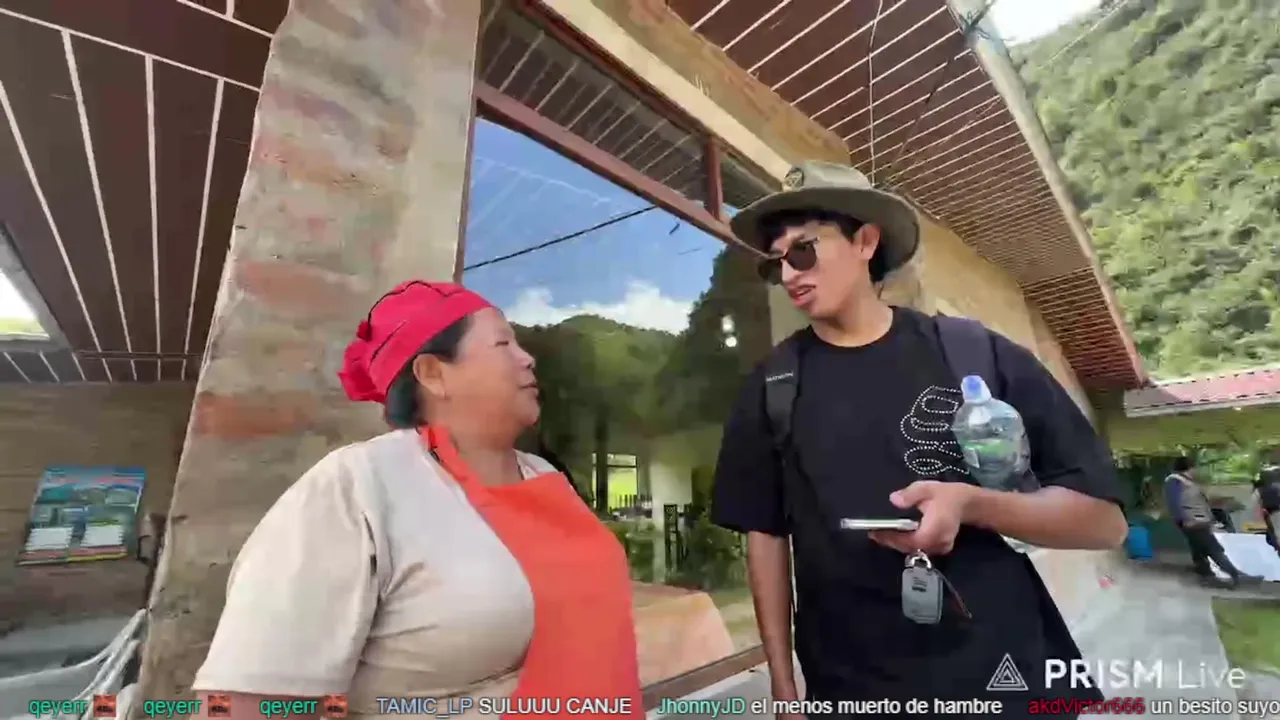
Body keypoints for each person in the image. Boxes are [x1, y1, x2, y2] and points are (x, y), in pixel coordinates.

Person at [709, 161, 1130, 713]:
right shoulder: (772, 386)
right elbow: (765, 537)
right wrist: (784, 688)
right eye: (775, 263)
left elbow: (1104, 523)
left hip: (1003, 674)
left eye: (803, 251)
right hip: (851, 684)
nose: (788, 275)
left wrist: (974, 504)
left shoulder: (973, 353)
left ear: (865, 241)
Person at [193, 281, 643, 720]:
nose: (528, 358)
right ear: (432, 374)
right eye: (503, 343)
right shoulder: (358, 486)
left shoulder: (543, 475)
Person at [1164, 456, 1251, 588]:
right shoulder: (1175, 481)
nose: (1197, 471)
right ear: (1190, 468)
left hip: (1199, 520)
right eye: (1195, 467)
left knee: (1199, 549)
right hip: (1193, 521)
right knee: (1213, 548)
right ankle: (1234, 574)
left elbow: (1198, 501)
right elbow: (1174, 503)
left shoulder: (1188, 482)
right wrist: (1183, 519)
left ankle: (1206, 576)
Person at [1253, 453, 1280, 555]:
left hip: (1269, 508)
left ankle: (1276, 546)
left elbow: (1256, 490)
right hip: (1274, 507)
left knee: (1274, 531)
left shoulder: (1262, 474)